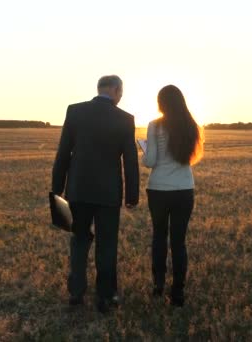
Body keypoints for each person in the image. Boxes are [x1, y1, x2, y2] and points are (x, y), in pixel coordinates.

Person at [52, 75, 139, 314]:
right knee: (107, 245)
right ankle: (105, 296)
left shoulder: (75, 112)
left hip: (78, 191)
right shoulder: (125, 119)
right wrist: (132, 196)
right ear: (115, 90)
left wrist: (57, 188)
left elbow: (63, 153)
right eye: (121, 92)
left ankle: (76, 293)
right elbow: (130, 161)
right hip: (109, 194)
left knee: (79, 241)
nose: (121, 97)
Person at [141, 85, 203, 307]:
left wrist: (144, 151)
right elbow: (190, 158)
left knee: (159, 236)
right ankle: (178, 291)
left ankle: (158, 285)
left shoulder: (155, 126)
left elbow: (150, 162)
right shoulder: (191, 126)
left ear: (161, 103)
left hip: (158, 189)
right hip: (184, 189)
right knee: (179, 241)